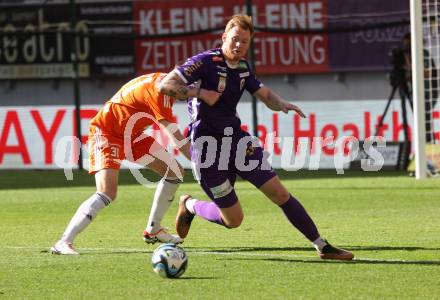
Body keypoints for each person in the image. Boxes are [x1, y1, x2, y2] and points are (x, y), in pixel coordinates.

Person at [159, 14, 354, 260]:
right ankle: (189, 205)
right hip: (207, 149)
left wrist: (281, 103)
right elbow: (165, 85)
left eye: (245, 42)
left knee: (280, 194)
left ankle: (322, 246)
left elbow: (264, 93)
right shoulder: (204, 62)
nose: (239, 45)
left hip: (238, 143)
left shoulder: (242, 68)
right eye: (235, 39)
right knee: (234, 220)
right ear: (224, 38)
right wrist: (199, 92)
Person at [51, 72, 190, 255]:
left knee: (174, 172)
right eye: (186, 91)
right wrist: (199, 161)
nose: (188, 94)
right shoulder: (159, 93)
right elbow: (176, 139)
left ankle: (153, 229)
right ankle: (63, 242)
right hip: (107, 133)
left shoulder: (166, 81)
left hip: (132, 136)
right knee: (107, 192)